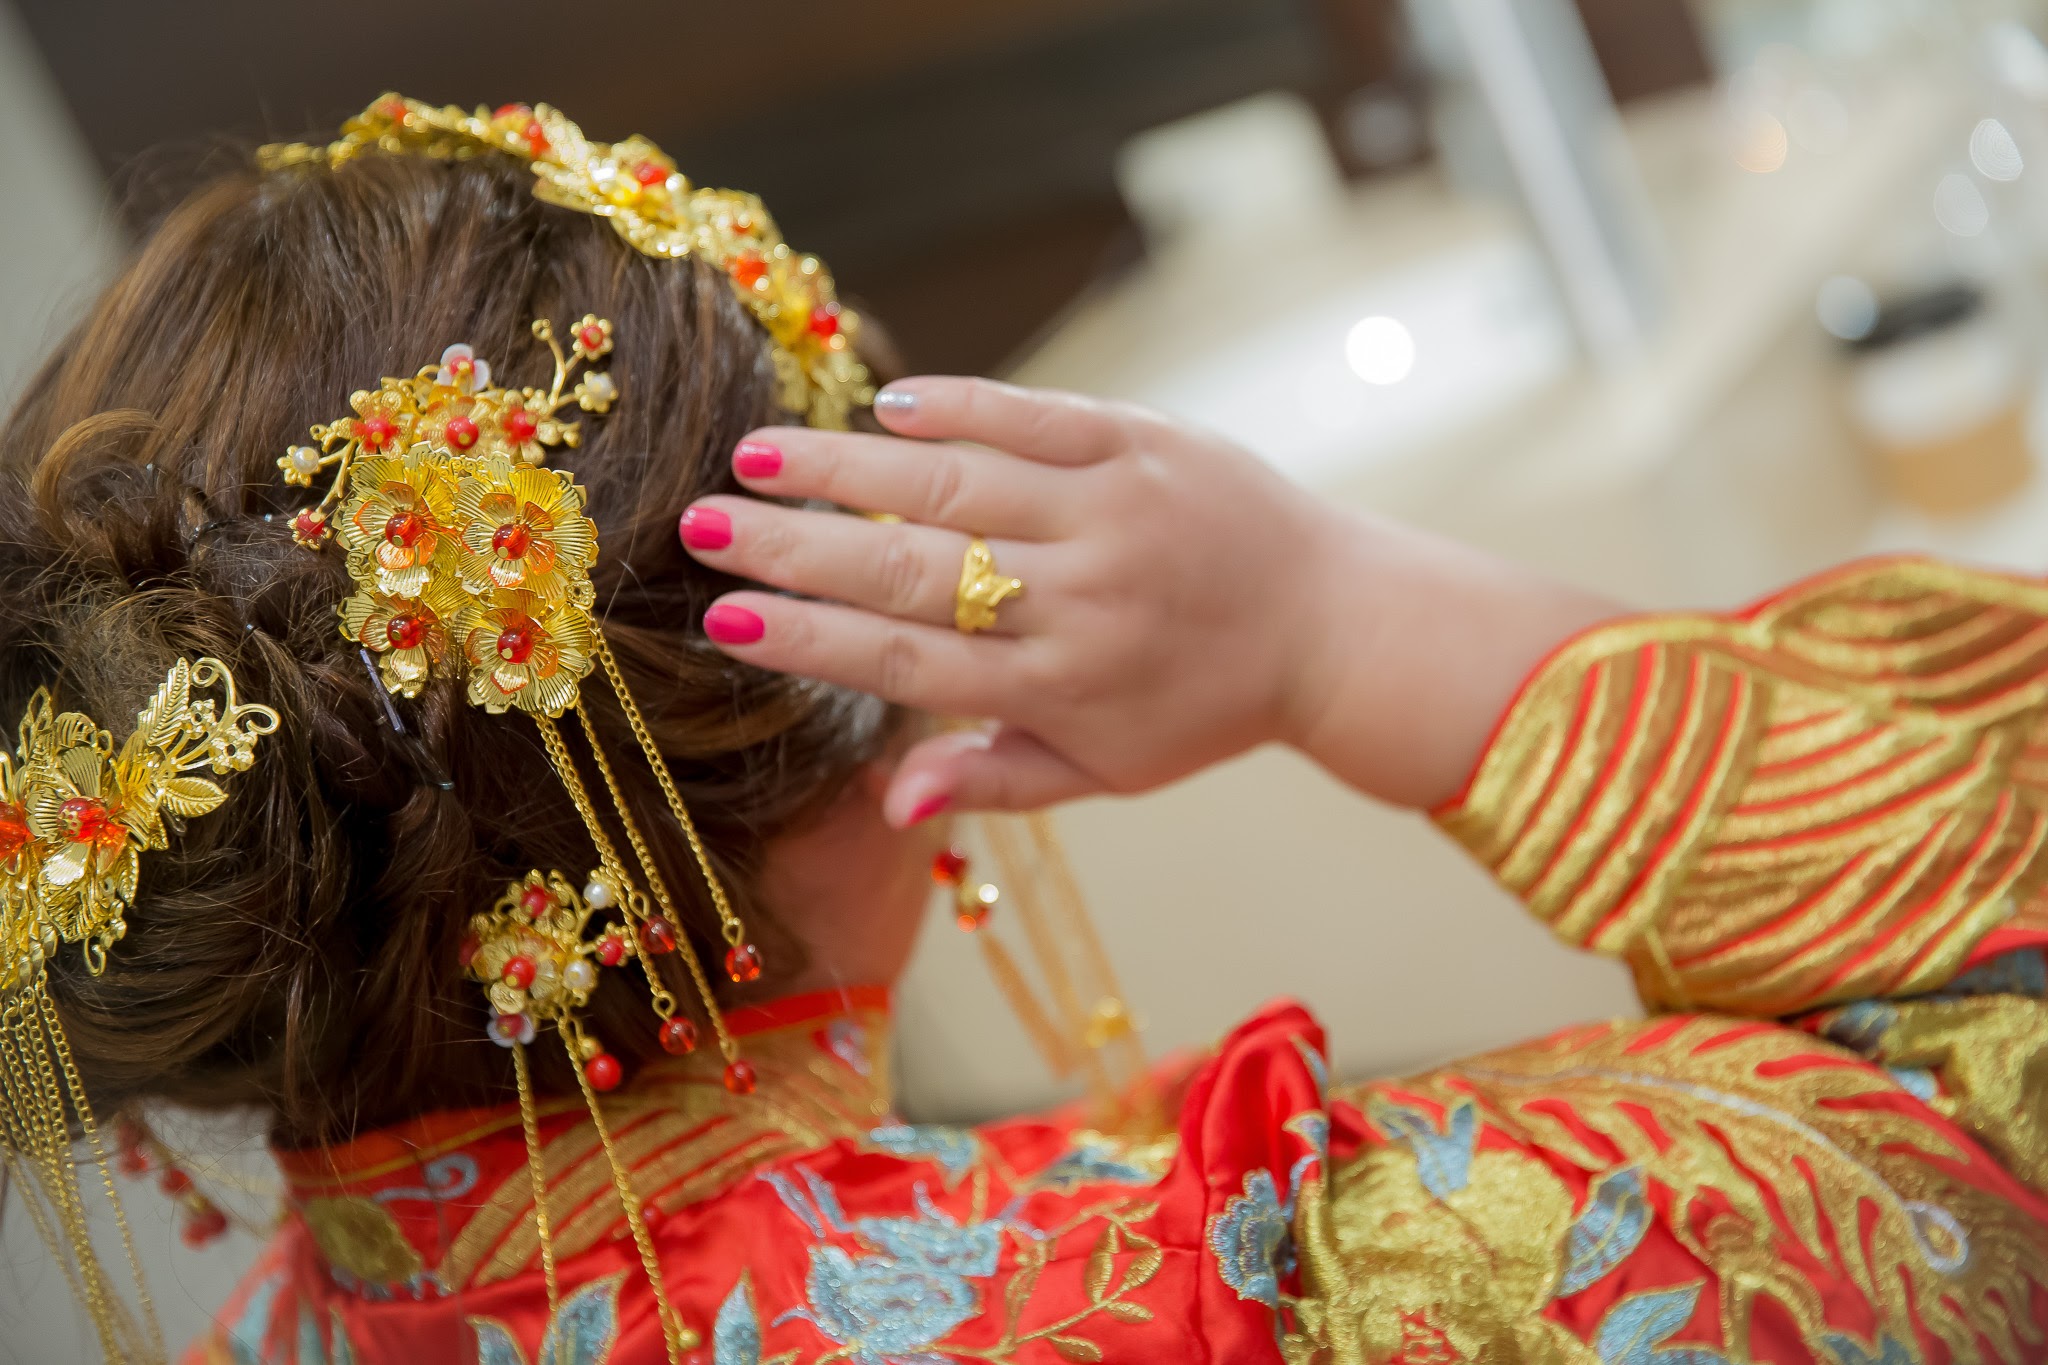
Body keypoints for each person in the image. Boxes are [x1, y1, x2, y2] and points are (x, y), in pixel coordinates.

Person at [0, 99, 2038, 1365]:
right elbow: (1984, 1121)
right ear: (834, 682)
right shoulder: (1353, 1290)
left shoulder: (281, 1331)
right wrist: (1345, 626)